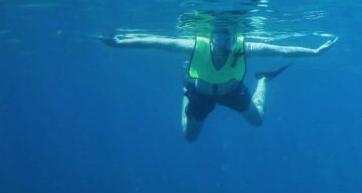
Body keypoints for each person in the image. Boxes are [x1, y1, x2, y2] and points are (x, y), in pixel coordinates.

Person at [103, 26, 338, 141]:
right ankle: (186, 88)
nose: (225, 43)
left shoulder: (243, 48)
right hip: (200, 94)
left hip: (233, 92)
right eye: (219, 38)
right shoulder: (196, 46)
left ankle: (263, 80)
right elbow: (158, 42)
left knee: (257, 121)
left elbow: (281, 49)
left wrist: (314, 52)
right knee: (189, 137)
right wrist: (121, 42)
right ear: (212, 38)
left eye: (229, 38)